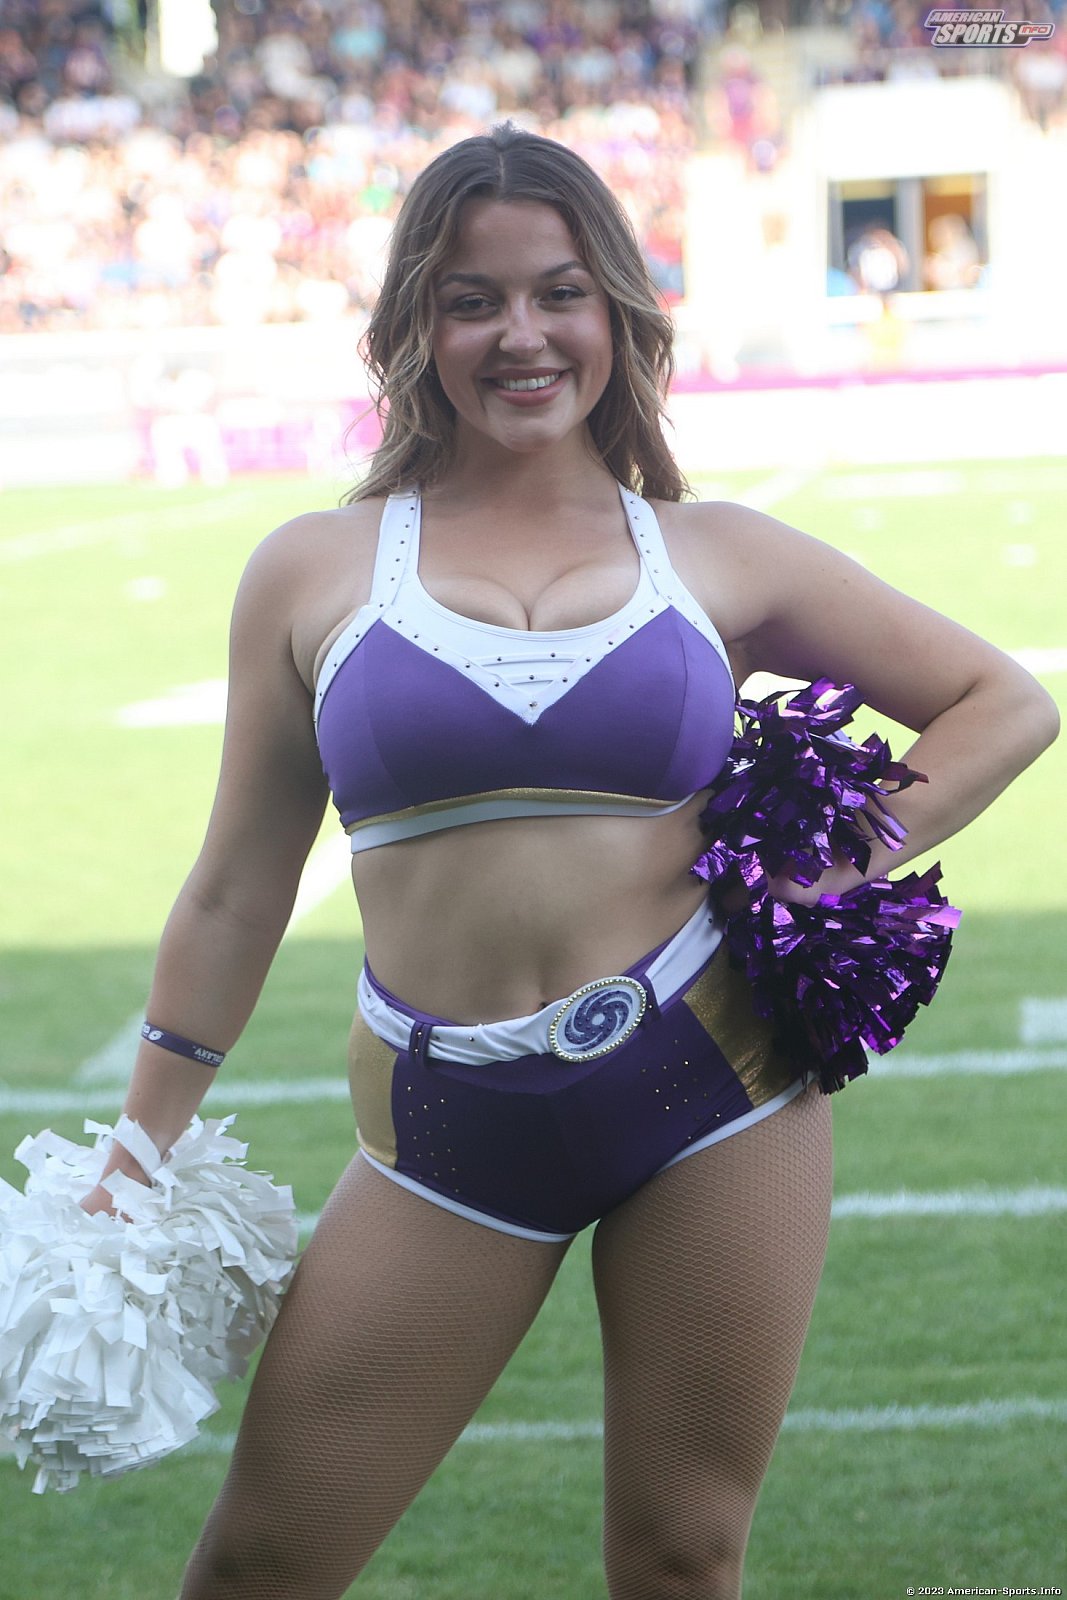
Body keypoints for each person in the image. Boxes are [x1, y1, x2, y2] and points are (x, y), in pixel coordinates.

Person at [79, 123, 1057, 1599]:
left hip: (717, 1082)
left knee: (682, 1557)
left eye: (560, 293)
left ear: (619, 314)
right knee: (260, 1564)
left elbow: (1003, 702)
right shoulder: (313, 568)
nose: (521, 335)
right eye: (472, 301)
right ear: (416, 327)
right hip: (447, 1121)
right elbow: (235, 884)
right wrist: (142, 1142)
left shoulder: (714, 552)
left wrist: (837, 863)